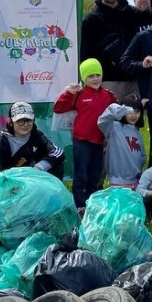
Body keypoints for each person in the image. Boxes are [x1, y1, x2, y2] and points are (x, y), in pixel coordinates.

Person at [53, 58, 118, 208]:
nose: (95, 79)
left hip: (99, 141)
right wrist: (68, 93)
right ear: (84, 78)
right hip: (81, 141)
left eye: (98, 74)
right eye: (90, 76)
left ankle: (92, 203)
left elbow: (116, 110)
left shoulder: (108, 95)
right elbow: (58, 108)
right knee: (81, 174)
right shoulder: (78, 94)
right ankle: (79, 205)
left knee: (95, 175)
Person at [81, 0, 151, 103]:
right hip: (108, 82)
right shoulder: (91, 19)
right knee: (109, 123)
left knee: (135, 123)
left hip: (134, 80)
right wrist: (88, 84)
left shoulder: (131, 12)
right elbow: (86, 55)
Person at [98, 96, 147, 189]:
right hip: (117, 182)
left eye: (137, 112)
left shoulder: (137, 133)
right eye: (130, 112)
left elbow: (142, 155)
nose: (133, 116)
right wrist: (119, 109)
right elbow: (102, 121)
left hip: (136, 182)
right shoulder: (114, 127)